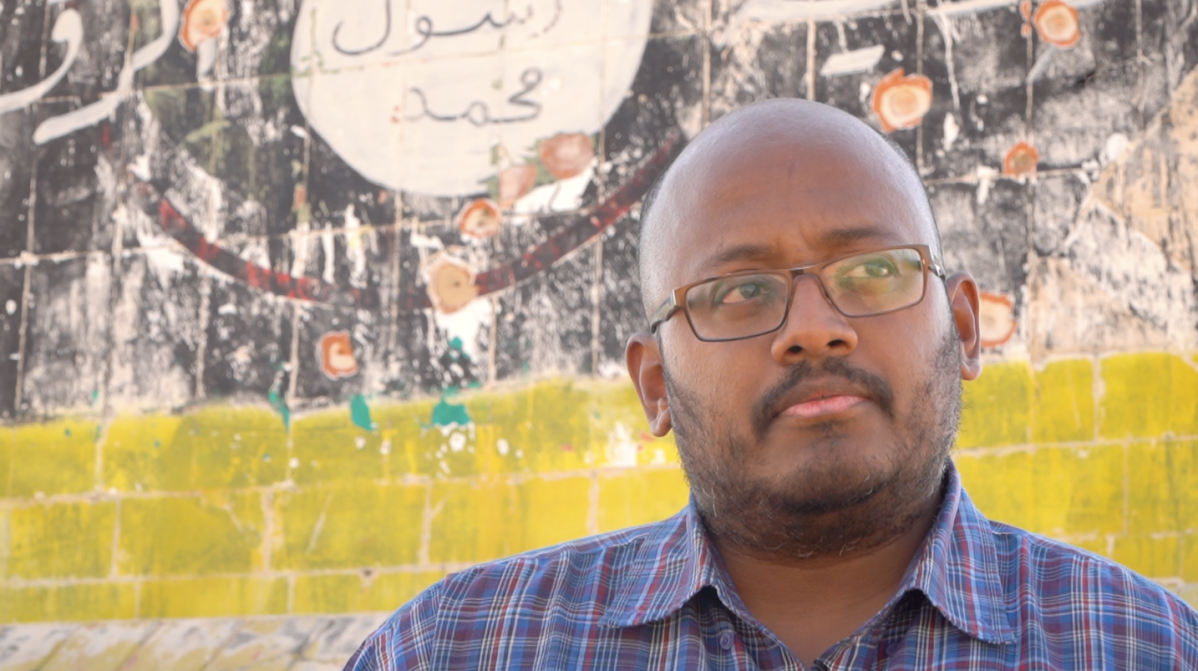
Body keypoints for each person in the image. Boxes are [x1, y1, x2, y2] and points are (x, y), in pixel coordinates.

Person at [344, 99, 1198, 670]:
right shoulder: (458, 646)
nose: (812, 327)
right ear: (655, 388)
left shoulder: (1143, 646)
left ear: (964, 327)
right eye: (738, 291)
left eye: (871, 270)